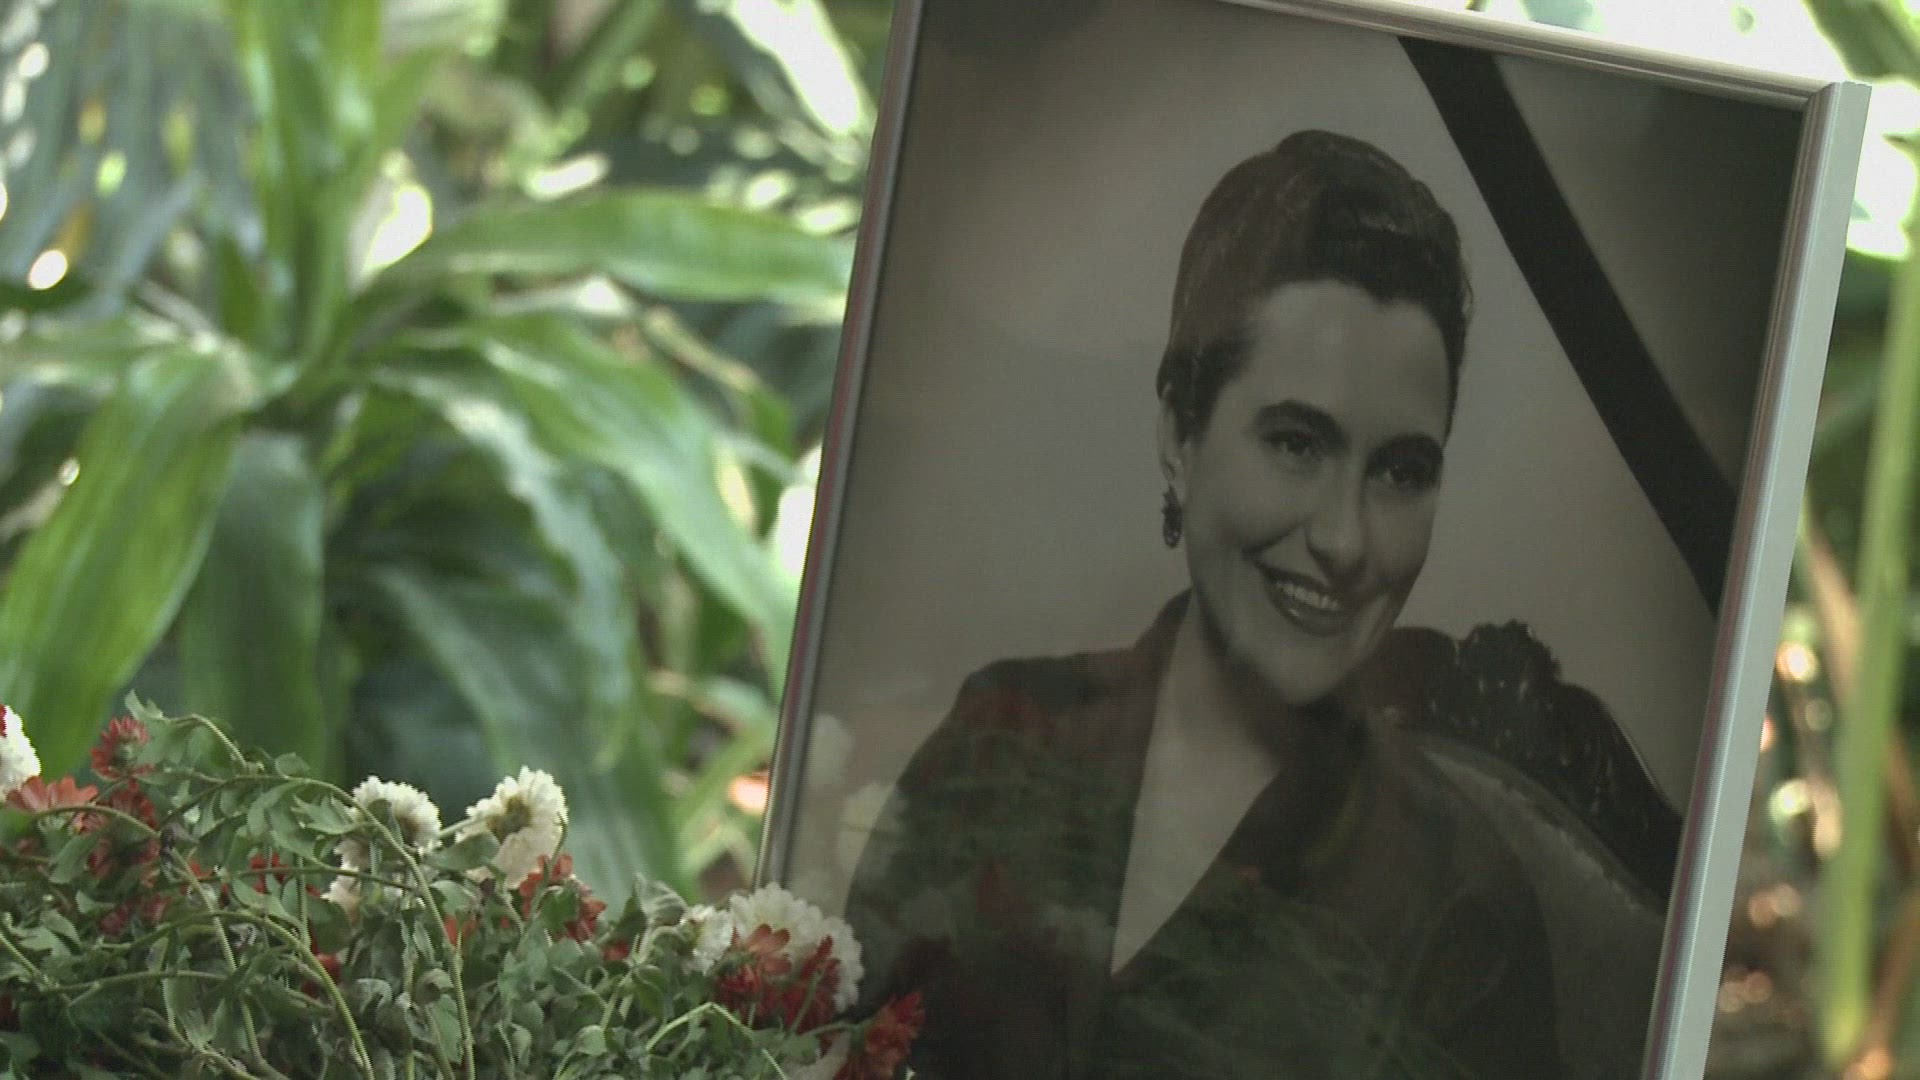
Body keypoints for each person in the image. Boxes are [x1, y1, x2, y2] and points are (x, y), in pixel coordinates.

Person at [842, 130, 1565, 1079]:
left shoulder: (1462, 912)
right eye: (1297, 443)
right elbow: (826, 1048)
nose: (1346, 540)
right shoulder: (1002, 734)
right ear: (1181, 434)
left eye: (1400, 472)